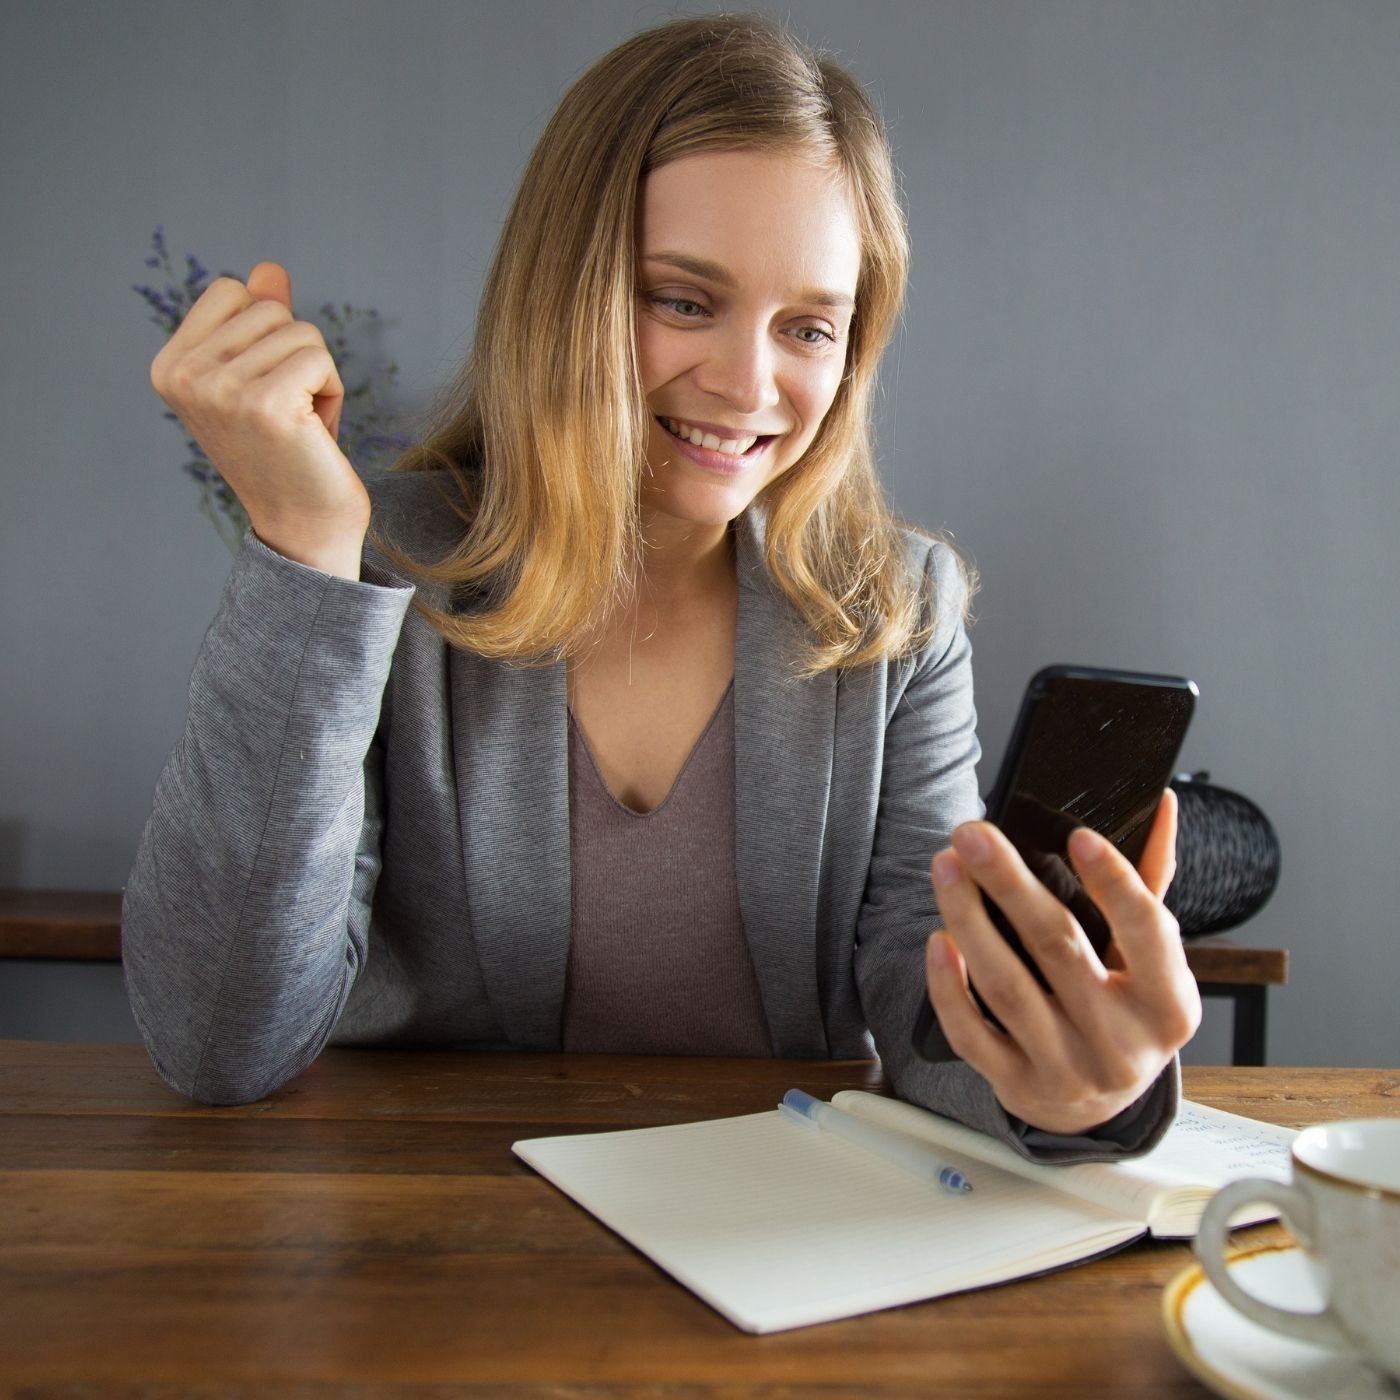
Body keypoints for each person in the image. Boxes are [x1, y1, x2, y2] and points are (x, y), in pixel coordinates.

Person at [124, 13, 1200, 1159]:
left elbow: (916, 993)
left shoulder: (893, 608)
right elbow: (216, 1042)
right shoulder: (375, 570)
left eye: (807, 327)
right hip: (434, 1242)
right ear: (563, 291)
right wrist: (299, 543)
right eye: (682, 300)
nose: (748, 384)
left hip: (769, 1243)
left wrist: (1070, 1085)